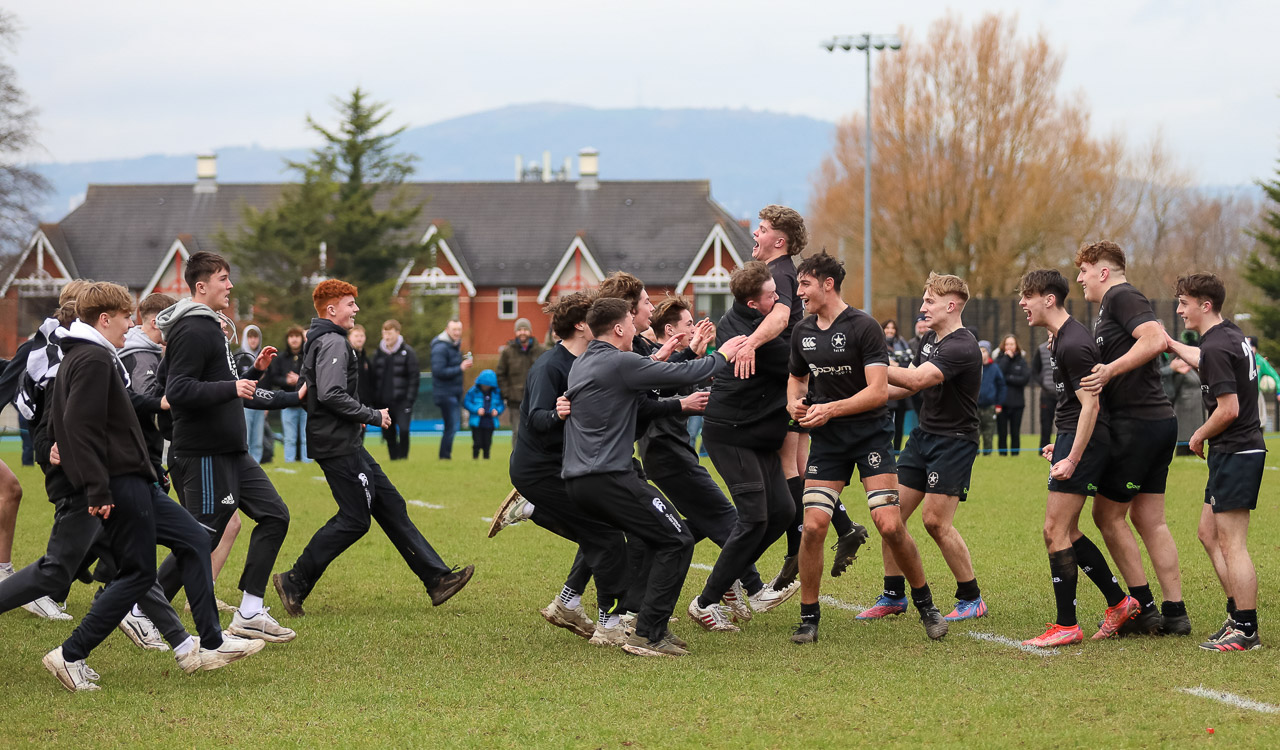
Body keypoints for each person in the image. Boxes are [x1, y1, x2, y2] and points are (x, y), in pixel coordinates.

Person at [40, 282, 262, 691]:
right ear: (104, 319)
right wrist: (97, 489)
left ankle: (210, 642)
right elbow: (79, 428)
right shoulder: (91, 359)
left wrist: (147, 469)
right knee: (138, 573)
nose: (132, 325)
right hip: (119, 482)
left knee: (194, 538)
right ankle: (70, 655)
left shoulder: (90, 356)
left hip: (134, 477)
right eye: (126, 317)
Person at [273, 280, 473, 617]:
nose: (357, 310)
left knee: (391, 504)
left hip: (341, 439)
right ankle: (294, 580)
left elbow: (317, 390)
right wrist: (372, 414)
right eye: (350, 304)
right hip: (337, 444)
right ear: (332, 309)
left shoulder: (321, 340)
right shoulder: (334, 342)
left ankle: (437, 579)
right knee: (354, 519)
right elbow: (332, 394)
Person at [562, 297, 746, 657]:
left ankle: (642, 624)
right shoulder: (619, 361)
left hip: (580, 480)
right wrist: (722, 355)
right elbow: (685, 376)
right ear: (618, 328)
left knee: (650, 538)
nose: (637, 329)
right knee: (677, 539)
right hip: (609, 476)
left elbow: (646, 400)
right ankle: (647, 633)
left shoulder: (584, 363)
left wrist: (680, 401)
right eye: (632, 322)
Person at [786, 251, 946, 645]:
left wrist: (829, 409)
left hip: (870, 435)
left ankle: (925, 603)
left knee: (890, 524)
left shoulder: (864, 326)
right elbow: (796, 380)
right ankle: (809, 618)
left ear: (827, 283)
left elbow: (877, 392)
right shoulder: (802, 331)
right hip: (828, 442)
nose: (799, 292)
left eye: (805, 283)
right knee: (814, 528)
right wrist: (795, 401)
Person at [154, 250, 295, 643]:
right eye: (222, 279)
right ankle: (143, 606)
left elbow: (218, 383)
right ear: (201, 286)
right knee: (201, 536)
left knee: (274, 514)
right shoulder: (192, 329)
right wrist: (233, 386)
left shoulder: (211, 327)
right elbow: (178, 389)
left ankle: (250, 611)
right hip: (204, 452)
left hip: (231, 449)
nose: (230, 285)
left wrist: (253, 374)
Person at [491, 290, 632, 644]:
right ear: (582, 324)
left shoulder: (585, 360)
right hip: (540, 470)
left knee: (601, 532)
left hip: (571, 466)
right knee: (607, 535)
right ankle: (609, 625)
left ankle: (575, 605)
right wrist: (559, 414)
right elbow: (536, 418)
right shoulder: (550, 366)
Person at [745, 207, 867, 601]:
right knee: (798, 466)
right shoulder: (785, 272)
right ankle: (842, 527)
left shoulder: (779, 272)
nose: (755, 234)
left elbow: (781, 318)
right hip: (797, 380)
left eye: (762, 230)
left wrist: (749, 343)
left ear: (779, 241)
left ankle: (797, 547)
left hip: (787, 383)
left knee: (788, 468)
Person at [1016, 269, 1137, 647]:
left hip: (1087, 442)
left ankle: (1067, 625)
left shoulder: (1073, 342)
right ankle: (1119, 602)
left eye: (1027, 296)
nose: (1022, 304)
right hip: (1073, 438)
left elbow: (1092, 404)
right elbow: (1072, 406)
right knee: (1065, 531)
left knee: (1054, 531)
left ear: (1048, 299)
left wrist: (1073, 456)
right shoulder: (1058, 340)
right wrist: (1061, 443)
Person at [1075, 241, 1187, 636]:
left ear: (1103, 272)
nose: (1080, 278)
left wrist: (1108, 371)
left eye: (1084, 271)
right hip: (1157, 422)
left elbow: (1156, 339)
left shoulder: (1121, 295)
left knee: (1106, 514)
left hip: (1138, 424)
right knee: (1148, 518)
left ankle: (1143, 608)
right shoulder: (1111, 304)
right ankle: (1175, 613)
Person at [866, 273, 986, 623]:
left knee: (935, 522)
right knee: (891, 517)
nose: (922, 308)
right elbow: (910, 388)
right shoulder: (930, 341)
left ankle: (971, 597)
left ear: (951, 305)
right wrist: (863, 393)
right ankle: (893, 594)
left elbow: (917, 378)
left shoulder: (962, 345)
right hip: (923, 436)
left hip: (955, 442)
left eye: (929, 301)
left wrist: (872, 362)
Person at [691, 262, 799, 631]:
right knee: (754, 518)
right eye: (773, 295)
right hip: (731, 433)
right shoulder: (743, 336)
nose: (781, 300)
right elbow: (796, 361)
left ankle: (731, 576)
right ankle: (705, 601)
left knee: (783, 511)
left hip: (759, 436)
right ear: (754, 304)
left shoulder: (756, 321)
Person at [1165, 273, 1267, 651]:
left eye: (1183, 303)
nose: (1179, 310)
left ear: (1204, 305)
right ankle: (1236, 615)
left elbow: (1229, 409)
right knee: (1208, 534)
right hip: (1232, 451)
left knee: (1233, 545)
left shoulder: (1218, 347)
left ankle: (1246, 629)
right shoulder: (1226, 335)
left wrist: (1198, 434)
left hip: (1236, 451)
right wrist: (1171, 344)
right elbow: (1202, 359)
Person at [372, 319, 421, 460]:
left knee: (404, 430)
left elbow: (414, 378)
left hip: (402, 402)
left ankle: (403, 458)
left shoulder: (408, 353)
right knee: (388, 432)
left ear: (398, 333)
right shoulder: (378, 354)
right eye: (384, 333)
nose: (387, 336)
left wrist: (409, 399)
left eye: (390, 333)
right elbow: (374, 379)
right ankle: (394, 458)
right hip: (384, 402)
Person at [495, 317, 545, 443]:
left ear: (530, 331)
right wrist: (507, 393)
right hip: (515, 400)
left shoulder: (541, 351)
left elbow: (546, 373)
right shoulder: (507, 352)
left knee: (536, 432)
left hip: (536, 399)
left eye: (525, 329)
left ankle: (535, 461)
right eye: (519, 330)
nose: (522, 332)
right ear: (515, 332)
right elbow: (500, 374)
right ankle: (517, 461)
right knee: (517, 432)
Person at [265, 325, 308, 463]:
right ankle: (290, 462)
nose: (294, 340)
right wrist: (286, 380)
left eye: (297, 336)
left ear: (302, 339)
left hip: (306, 403)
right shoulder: (280, 358)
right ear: (287, 339)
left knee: (306, 436)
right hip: (287, 403)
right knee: (289, 437)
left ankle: (307, 461)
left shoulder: (308, 357)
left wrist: (299, 380)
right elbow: (273, 377)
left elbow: (315, 377)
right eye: (291, 337)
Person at [429, 319, 470, 460]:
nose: (457, 333)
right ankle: (445, 456)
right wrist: (460, 367)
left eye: (459, 330)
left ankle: (445, 456)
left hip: (453, 392)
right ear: (447, 330)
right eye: (454, 330)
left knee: (450, 426)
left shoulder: (454, 346)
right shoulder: (440, 348)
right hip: (445, 393)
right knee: (451, 426)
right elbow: (438, 371)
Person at [1167, 331, 1206, 456]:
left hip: (1195, 406)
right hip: (1184, 407)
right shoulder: (1180, 367)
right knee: (1185, 433)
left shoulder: (1195, 369)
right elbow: (1175, 388)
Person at [995, 335, 1030, 456]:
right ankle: (1002, 454)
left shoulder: (1021, 360)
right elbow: (998, 375)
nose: (1009, 347)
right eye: (1007, 344)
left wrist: (1008, 378)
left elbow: (1024, 379)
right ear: (1003, 346)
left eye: (1012, 344)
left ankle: (1015, 454)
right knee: (1002, 432)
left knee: (1015, 432)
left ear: (1016, 346)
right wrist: (1006, 359)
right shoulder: (999, 359)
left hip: (1017, 403)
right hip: (1002, 403)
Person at [236, 325, 267, 461]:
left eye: (255, 337)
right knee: (246, 436)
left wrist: (267, 403)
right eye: (250, 337)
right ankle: (245, 461)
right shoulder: (239, 356)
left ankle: (257, 463)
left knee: (258, 437)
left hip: (260, 402)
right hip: (244, 403)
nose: (253, 340)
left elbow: (268, 382)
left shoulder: (265, 356)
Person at [884, 319, 913, 452]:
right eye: (887, 328)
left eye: (893, 328)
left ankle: (896, 450)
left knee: (900, 422)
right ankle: (886, 448)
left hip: (901, 386)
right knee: (887, 420)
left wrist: (895, 364)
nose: (890, 330)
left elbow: (909, 362)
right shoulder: (878, 343)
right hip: (886, 387)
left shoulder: (902, 343)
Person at [465, 369, 504, 459]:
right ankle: (475, 457)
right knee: (477, 442)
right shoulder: (473, 391)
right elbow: (467, 402)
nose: (485, 387)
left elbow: (501, 405)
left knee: (487, 442)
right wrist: (476, 410)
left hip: (490, 421)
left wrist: (497, 411)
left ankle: (486, 458)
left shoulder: (496, 393)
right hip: (477, 421)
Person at [976, 342, 1006, 456]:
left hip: (990, 406)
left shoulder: (995, 368)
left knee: (988, 433)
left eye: (984, 351)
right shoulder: (973, 367)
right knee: (975, 432)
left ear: (988, 352)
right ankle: (975, 454)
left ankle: (987, 454)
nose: (982, 354)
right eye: (979, 351)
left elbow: (1001, 386)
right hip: (975, 406)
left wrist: (998, 404)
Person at [1247, 336, 1278, 430]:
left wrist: (1279, 391)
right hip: (1242, 395)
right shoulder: (1240, 359)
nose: (1250, 348)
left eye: (1252, 346)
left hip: (1256, 394)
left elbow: (1274, 375)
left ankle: (1259, 440)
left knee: (1260, 422)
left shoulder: (1260, 361)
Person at [1030, 339, 1055, 450]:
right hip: (1047, 394)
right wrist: (1043, 382)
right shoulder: (1041, 349)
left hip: (1064, 394)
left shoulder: (1067, 346)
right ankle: (1043, 450)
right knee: (1045, 424)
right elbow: (1035, 371)